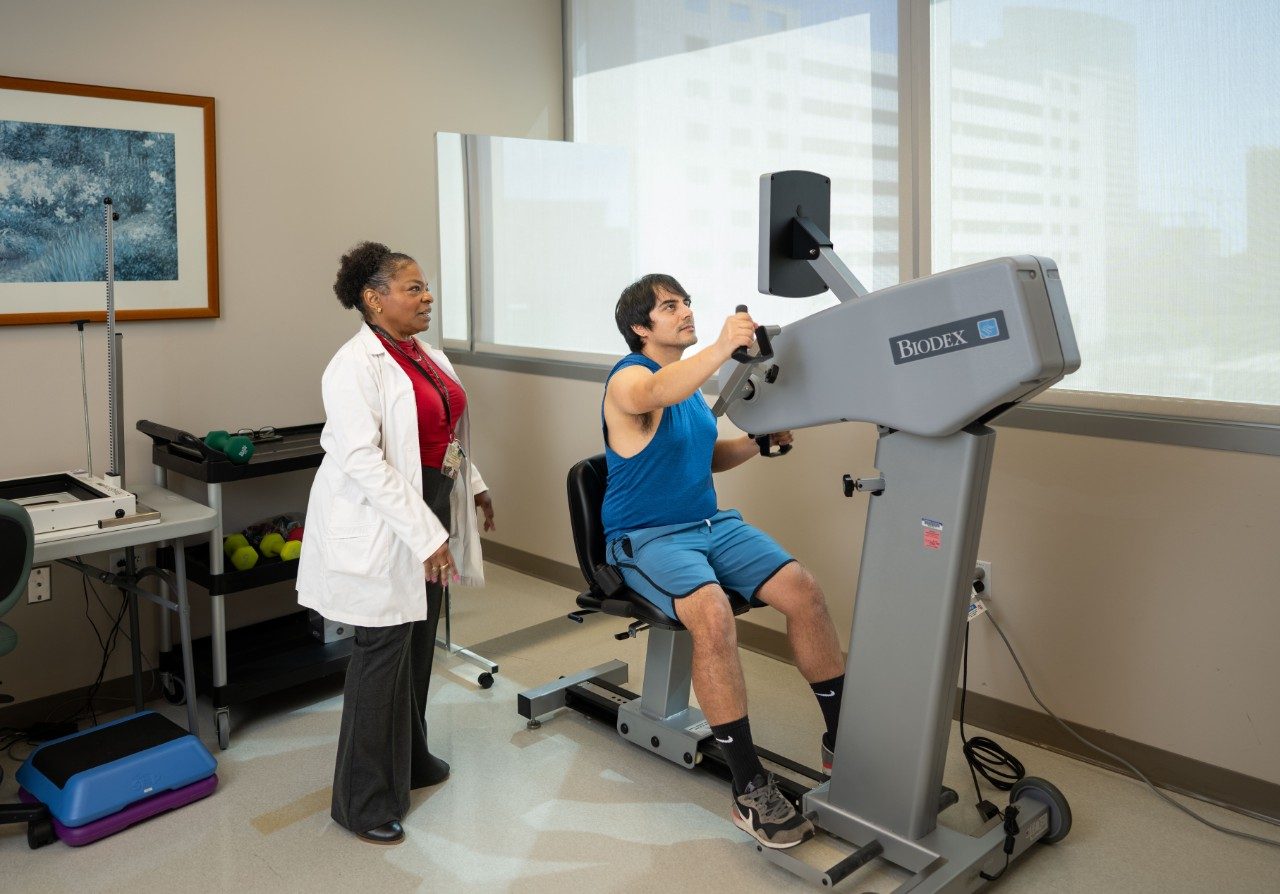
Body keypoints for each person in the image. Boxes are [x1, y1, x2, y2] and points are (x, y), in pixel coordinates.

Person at [601, 274, 846, 850]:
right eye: (669, 306)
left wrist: (758, 445)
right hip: (648, 537)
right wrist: (719, 347)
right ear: (641, 328)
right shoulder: (630, 378)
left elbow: (704, 457)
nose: (684, 311)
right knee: (713, 615)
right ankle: (748, 788)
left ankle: (842, 738)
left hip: (710, 525)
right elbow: (650, 396)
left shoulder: (687, 392)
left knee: (802, 590)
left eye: (685, 301)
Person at [296, 241, 496, 846]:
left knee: (418, 637)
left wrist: (476, 487)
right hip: (385, 520)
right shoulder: (353, 365)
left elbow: (445, 430)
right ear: (372, 298)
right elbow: (362, 458)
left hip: (431, 502)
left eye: (424, 286)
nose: (427, 296)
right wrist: (425, 533)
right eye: (413, 288)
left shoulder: (424, 355)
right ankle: (361, 801)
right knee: (382, 649)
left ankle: (410, 760)